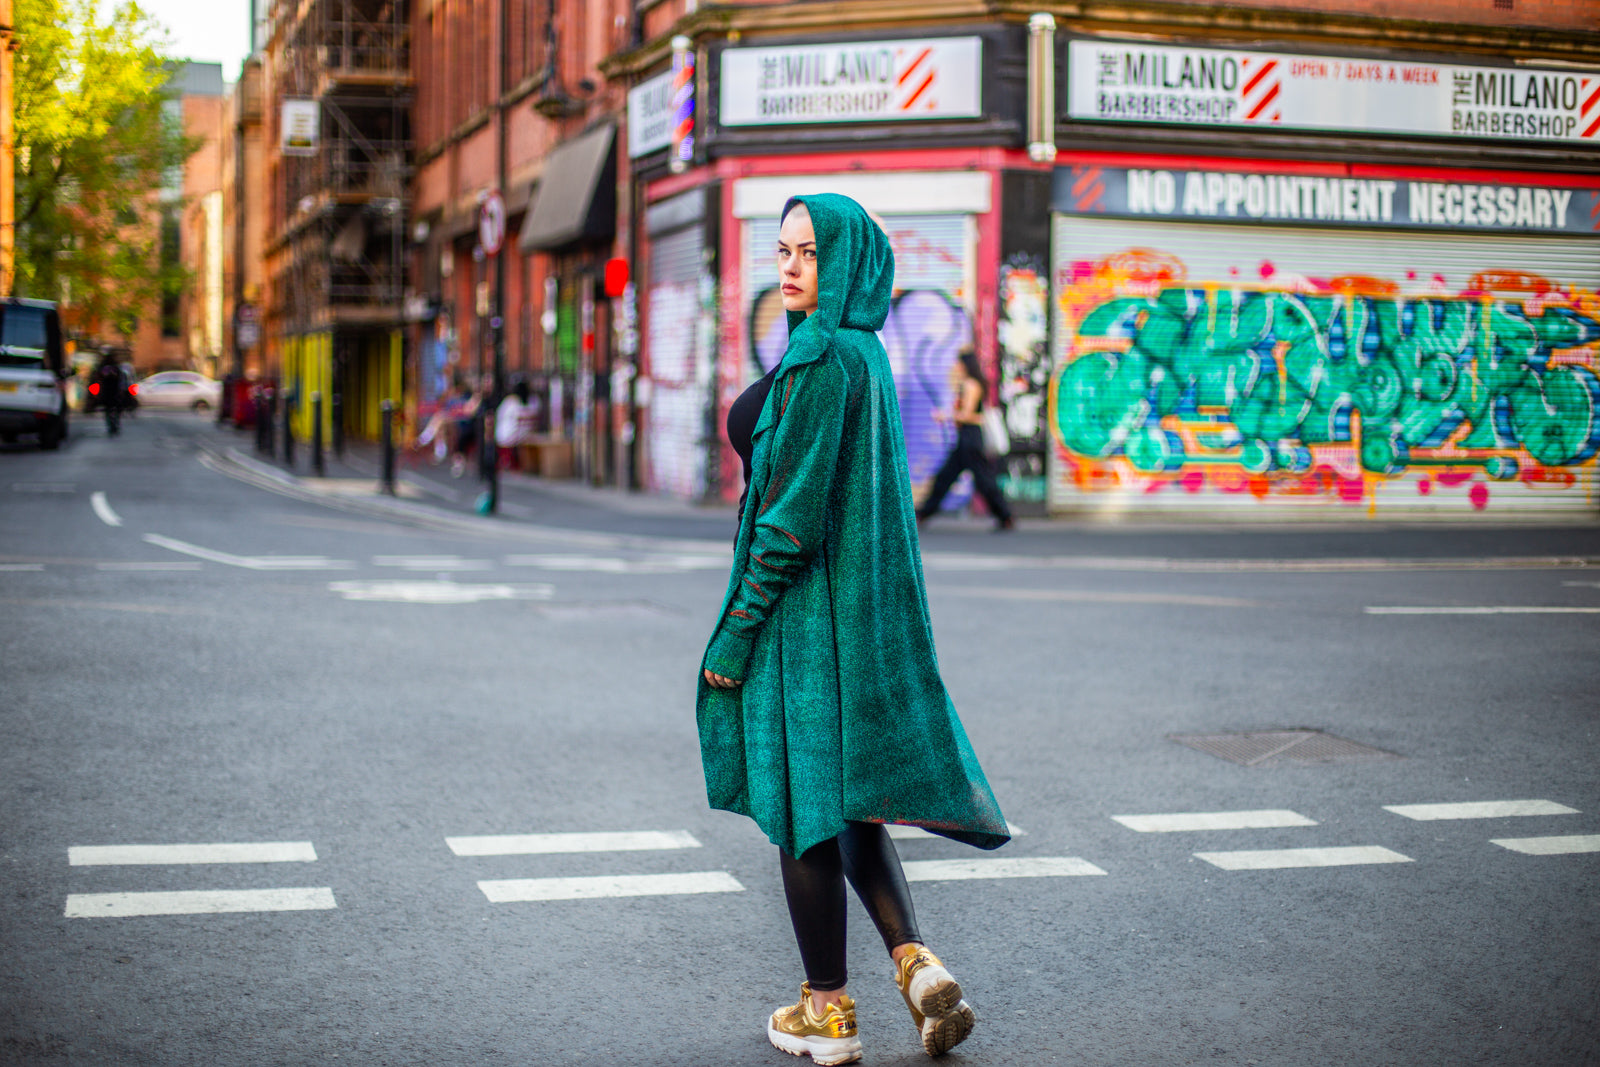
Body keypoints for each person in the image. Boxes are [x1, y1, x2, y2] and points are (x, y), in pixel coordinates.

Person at [699, 194, 1009, 1066]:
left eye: (811, 253)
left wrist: (734, 635)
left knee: (802, 813)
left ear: (851, 264)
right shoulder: (864, 355)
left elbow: (789, 523)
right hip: (852, 620)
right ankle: (915, 963)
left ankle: (827, 1013)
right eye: (785, 250)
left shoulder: (820, 360)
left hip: (806, 628)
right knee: (849, 805)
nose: (790, 266)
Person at [916, 349, 1015, 531]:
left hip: (971, 439)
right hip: (965, 439)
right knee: (946, 477)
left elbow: (969, 415)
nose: (956, 366)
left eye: (958, 363)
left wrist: (945, 416)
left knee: (983, 480)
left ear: (965, 365)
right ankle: (923, 513)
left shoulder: (971, 385)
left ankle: (1005, 516)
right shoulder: (967, 384)